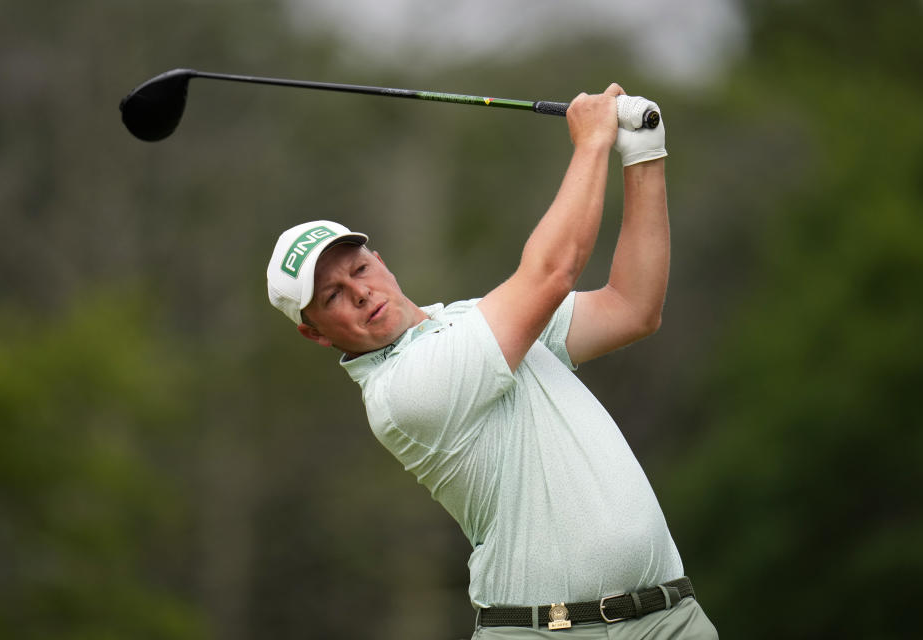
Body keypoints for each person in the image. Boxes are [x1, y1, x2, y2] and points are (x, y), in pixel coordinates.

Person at [266, 83, 717, 639]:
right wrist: (592, 143)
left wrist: (644, 155)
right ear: (315, 334)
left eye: (358, 269)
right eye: (332, 295)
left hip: (671, 620)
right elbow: (551, 274)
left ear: (379, 261)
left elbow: (632, 308)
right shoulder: (403, 391)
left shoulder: (474, 320)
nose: (358, 292)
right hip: (543, 632)